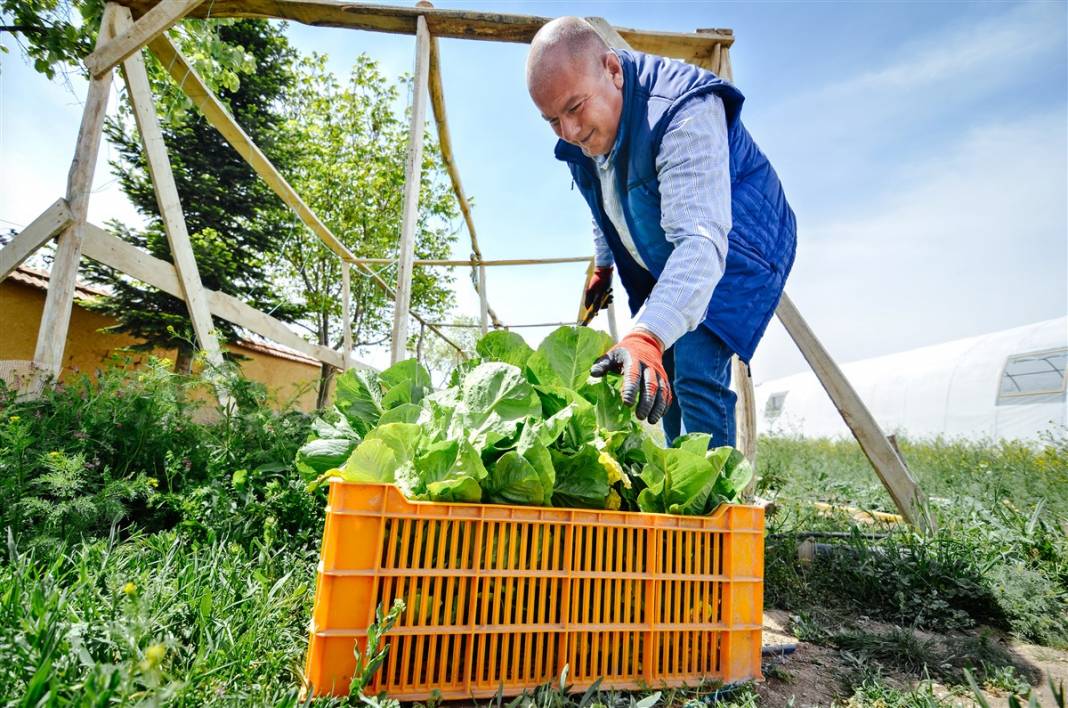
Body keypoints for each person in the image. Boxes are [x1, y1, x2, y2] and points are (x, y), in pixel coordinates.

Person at [525, 17, 797, 447]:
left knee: (693, 367)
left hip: (734, 242)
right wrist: (604, 265)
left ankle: (714, 506)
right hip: (670, 242)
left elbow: (701, 243)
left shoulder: (683, 113)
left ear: (613, 70)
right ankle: (676, 493)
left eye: (575, 109)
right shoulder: (591, 131)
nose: (570, 132)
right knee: (659, 375)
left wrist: (647, 332)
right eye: (552, 121)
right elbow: (604, 200)